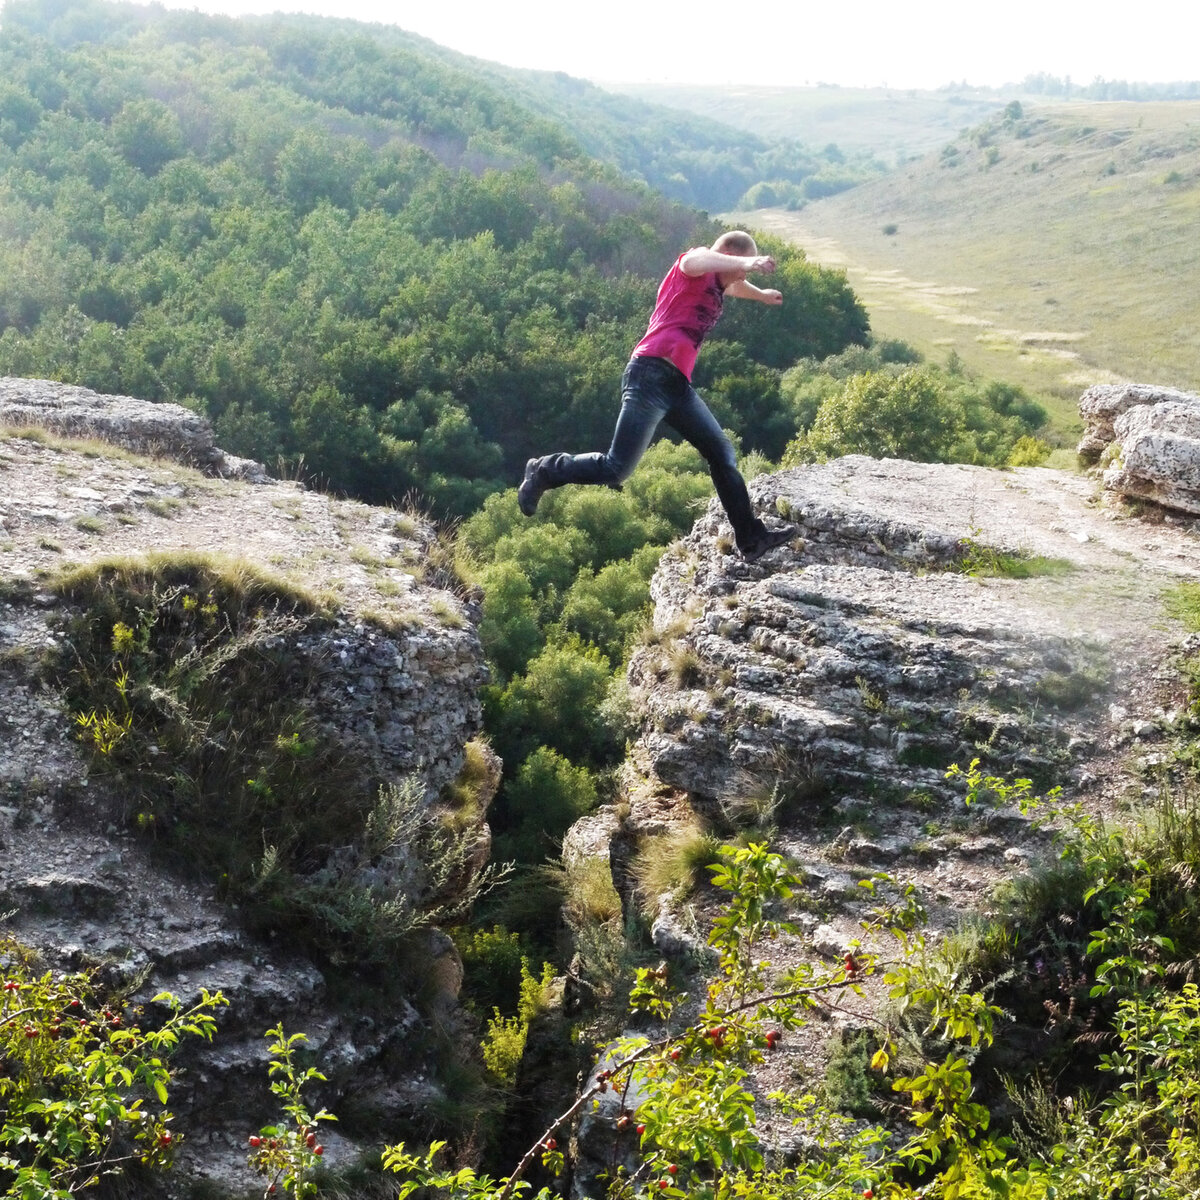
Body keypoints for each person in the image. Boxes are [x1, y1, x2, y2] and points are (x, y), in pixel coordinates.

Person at [516, 230, 797, 561]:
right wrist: (747, 261)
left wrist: (761, 294)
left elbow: (734, 284)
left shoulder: (720, 282)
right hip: (649, 374)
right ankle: (544, 470)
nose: (741, 274)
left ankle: (750, 539)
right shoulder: (692, 267)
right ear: (728, 257)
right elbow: (699, 259)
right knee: (616, 468)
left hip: (677, 385)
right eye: (738, 265)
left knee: (720, 451)